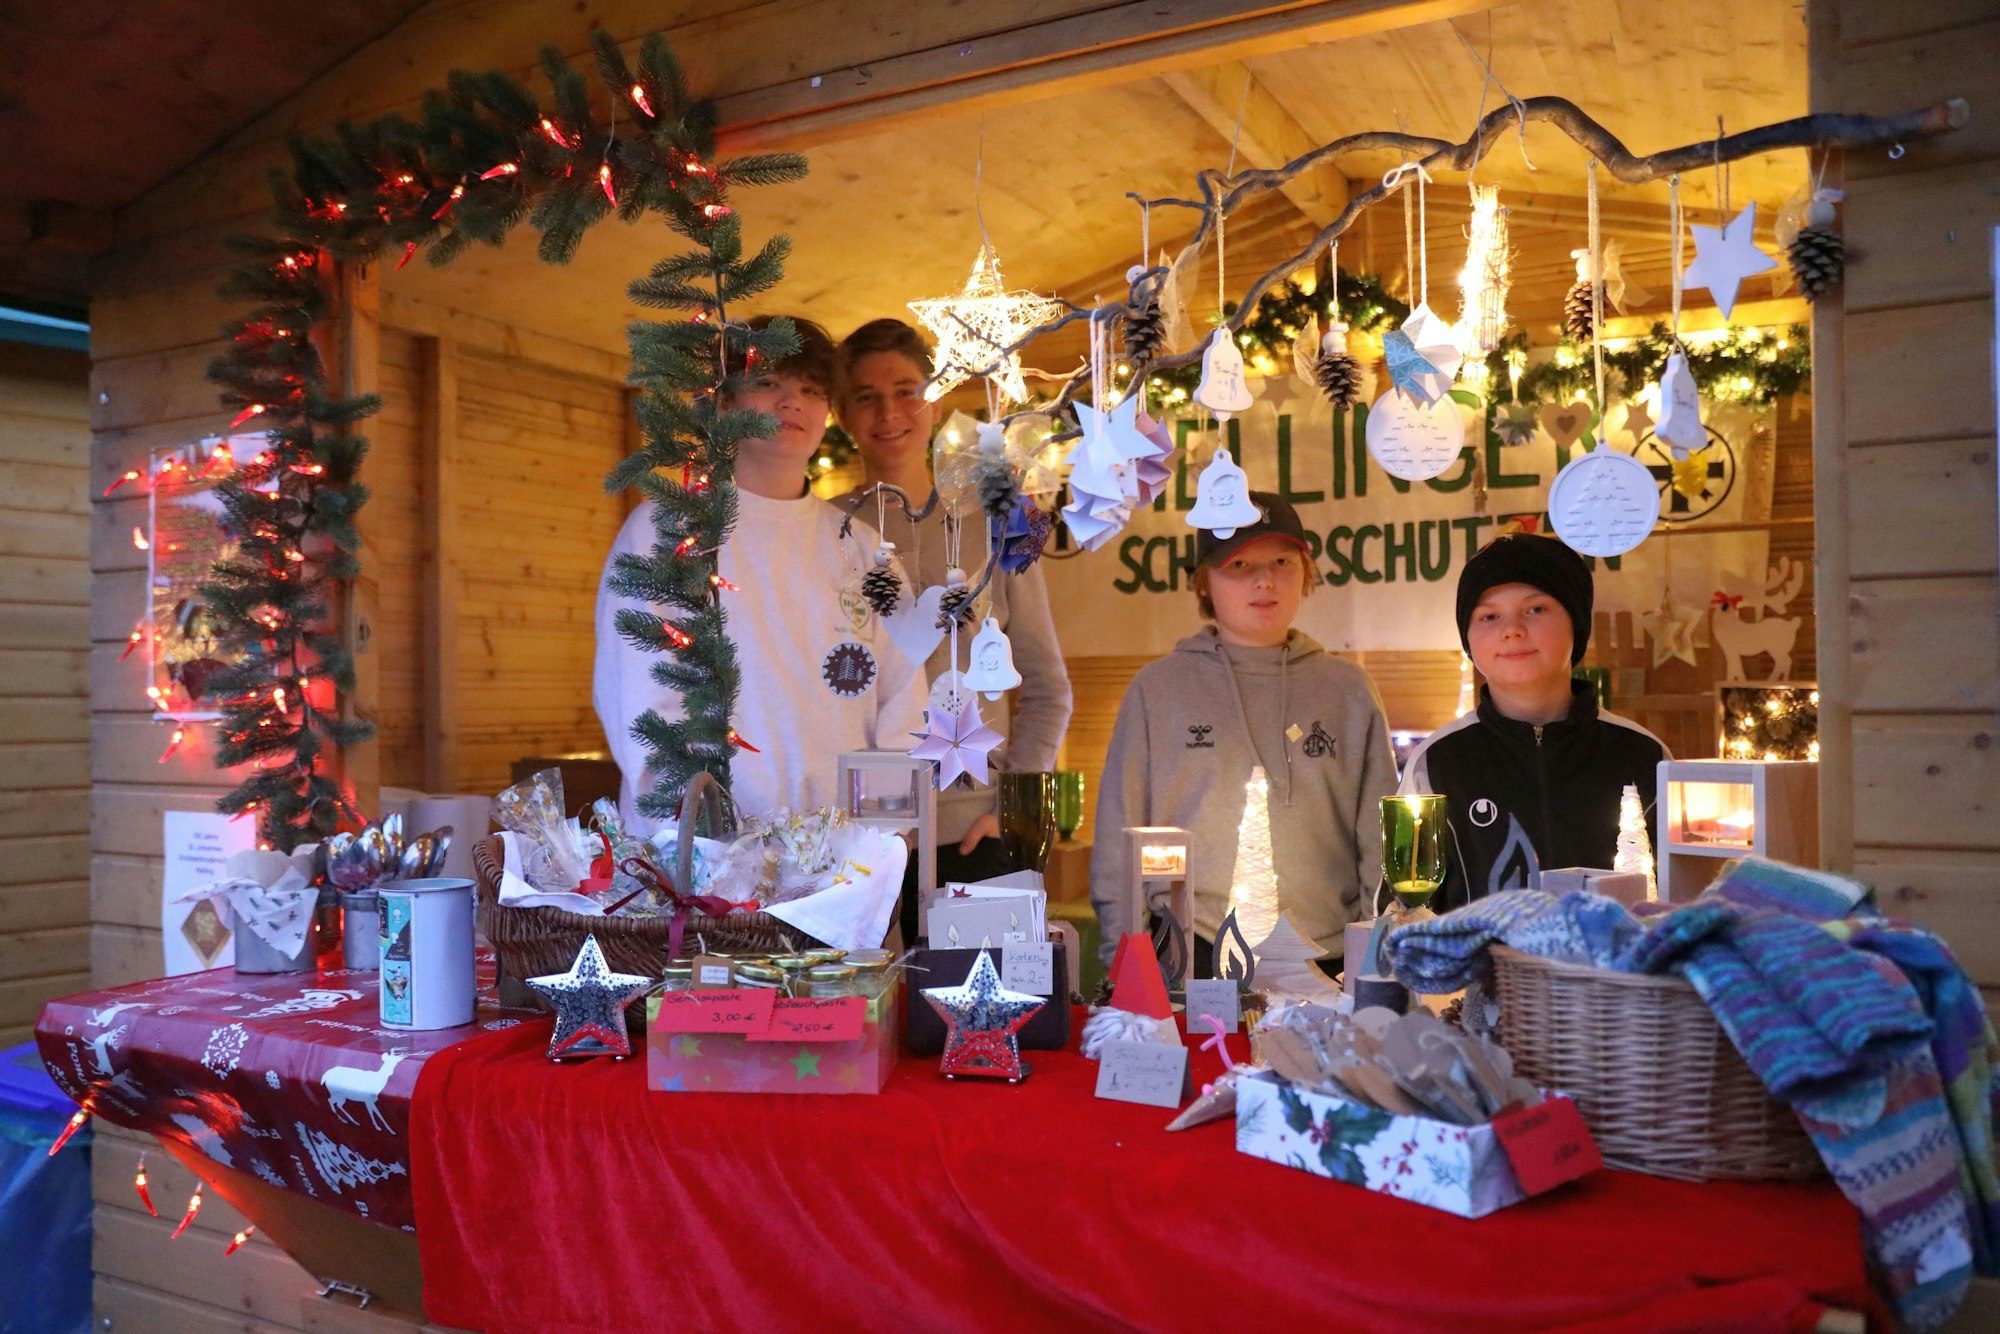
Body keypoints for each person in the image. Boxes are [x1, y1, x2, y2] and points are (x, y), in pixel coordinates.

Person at [594, 316, 926, 835]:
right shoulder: (667, 531)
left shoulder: (866, 553)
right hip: (700, 873)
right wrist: (711, 848)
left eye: (811, 389)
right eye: (768, 383)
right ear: (726, 402)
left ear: (827, 414)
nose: (791, 401)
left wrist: (874, 853)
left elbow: (905, 710)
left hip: (842, 872)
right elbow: (640, 705)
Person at [1089, 491, 1397, 970]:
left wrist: (1374, 960)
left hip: (1328, 957)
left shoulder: (1348, 690)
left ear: (1306, 572)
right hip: (1190, 955)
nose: (1264, 580)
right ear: (1204, 582)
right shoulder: (1159, 688)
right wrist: (1121, 964)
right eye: (1238, 564)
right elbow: (1118, 837)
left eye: (1281, 561)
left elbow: (1380, 839)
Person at [835, 319, 1073, 917]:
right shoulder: (824, 533)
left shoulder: (996, 525)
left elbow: (1047, 688)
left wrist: (1012, 810)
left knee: (994, 1012)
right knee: (870, 1012)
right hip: (855, 849)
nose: (889, 412)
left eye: (906, 390)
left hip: (978, 838)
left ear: (934, 398)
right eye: (867, 397)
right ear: (842, 414)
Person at [1400, 532, 1669, 910]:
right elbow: (1404, 909)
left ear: (1576, 623)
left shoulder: (1642, 753)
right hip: (1481, 969)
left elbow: (1682, 892)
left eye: (1536, 609)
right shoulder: (1438, 761)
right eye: (1489, 615)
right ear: (1468, 638)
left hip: (1614, 968)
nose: (1511, 629)